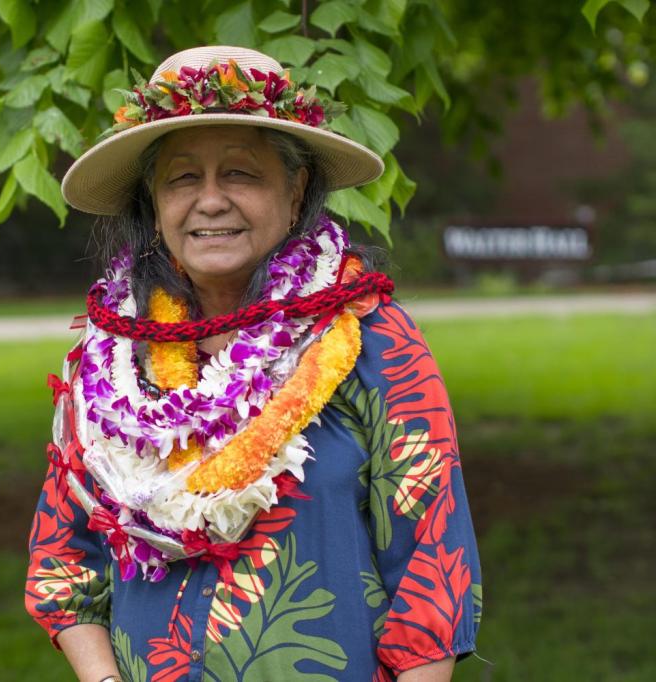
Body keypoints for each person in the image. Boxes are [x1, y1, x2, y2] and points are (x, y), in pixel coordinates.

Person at [25, 46, 482, 682]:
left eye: (240, 173)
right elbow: (62, 558)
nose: (210, 201)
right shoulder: (111, 359)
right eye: (183, 178)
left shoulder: (373, 338)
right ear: (154, 204)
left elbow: (432, 569)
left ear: (295, 193)